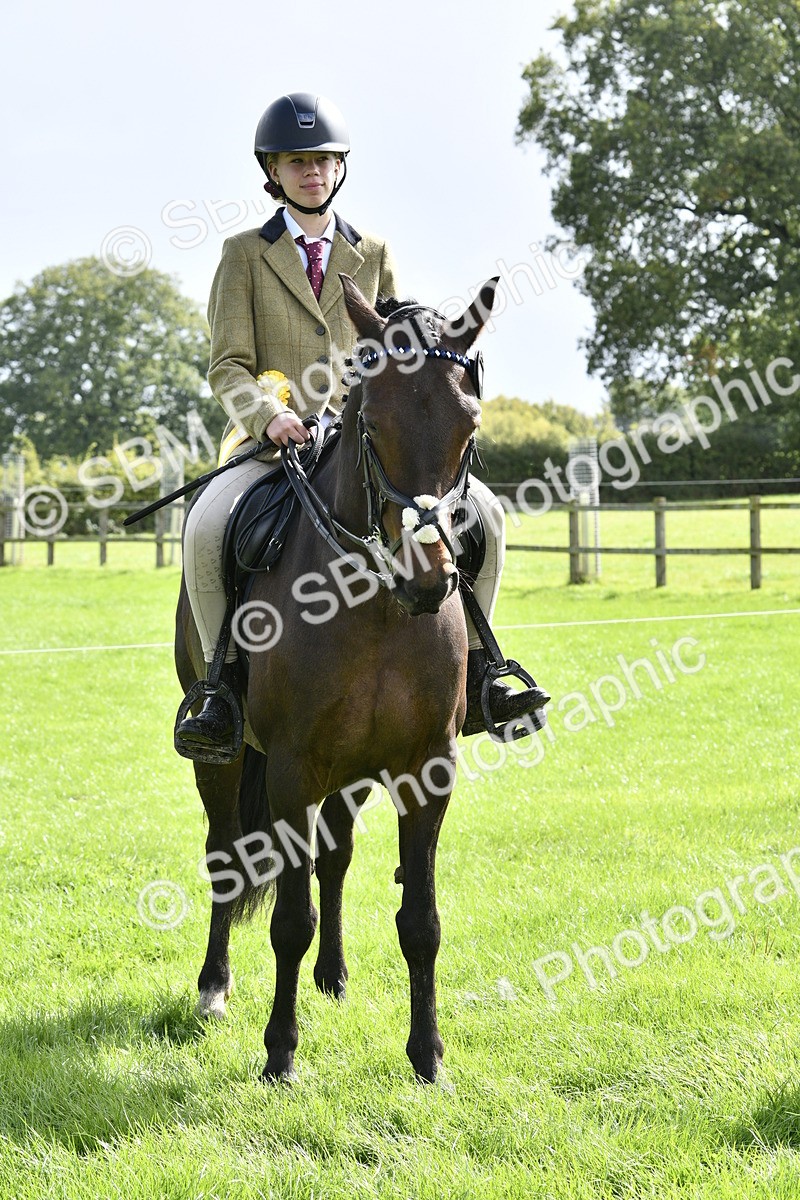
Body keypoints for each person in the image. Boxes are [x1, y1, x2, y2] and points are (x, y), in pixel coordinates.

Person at [176, 92, 549, 759]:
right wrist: (269, 415)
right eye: (297, 162)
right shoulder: (241, 254)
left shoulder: (372, 250)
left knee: (484, 515)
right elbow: (227, 365)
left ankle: (487, 670)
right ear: (275, 171)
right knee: (207, 524)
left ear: (339, 167)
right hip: (275, 442)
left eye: (322, 161)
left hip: (368, 441)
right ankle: (216, 688)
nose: (311, 173)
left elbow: (403, 348)